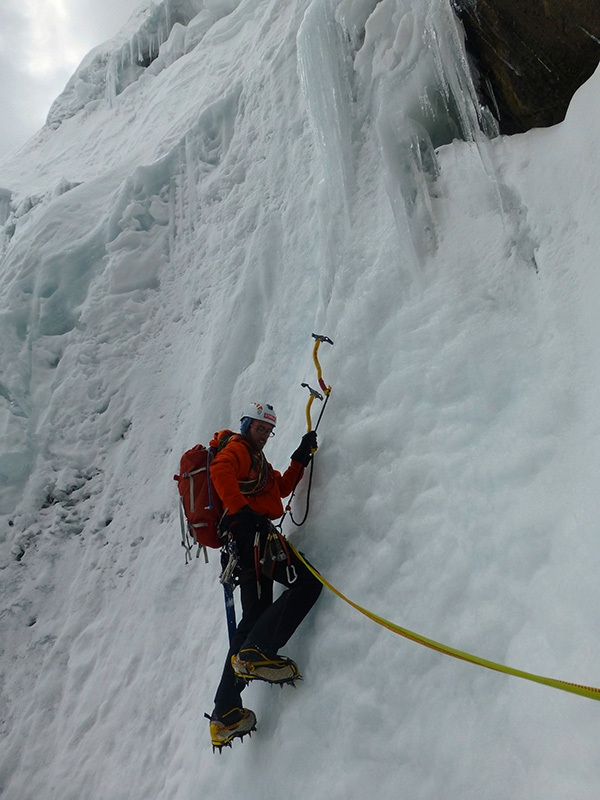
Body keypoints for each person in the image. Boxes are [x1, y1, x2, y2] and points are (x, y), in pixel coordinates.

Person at [207, 401, 322, 750]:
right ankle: (258, 650)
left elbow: (283, 488)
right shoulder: (238, 449)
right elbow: (220, 471)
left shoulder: (257, 463)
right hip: (251, 536)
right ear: (246, 425)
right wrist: (243, 513)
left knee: (253, 617)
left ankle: (225, 711)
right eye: (260, 428)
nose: (265, 435)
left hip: (248, 541)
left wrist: (300, 456)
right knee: (307, 583)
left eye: (269, 431)